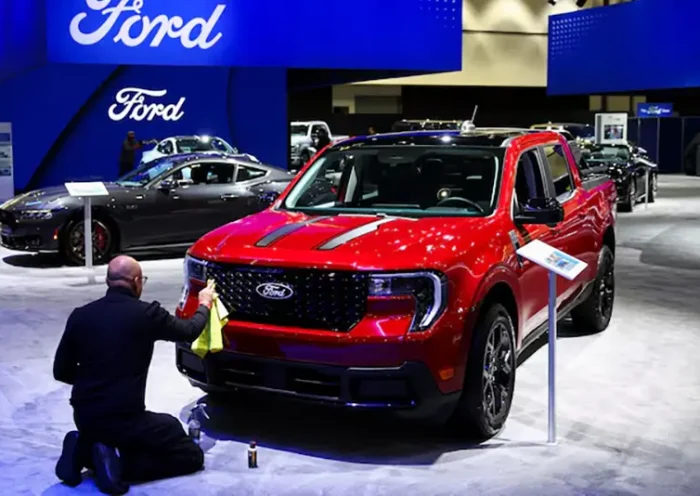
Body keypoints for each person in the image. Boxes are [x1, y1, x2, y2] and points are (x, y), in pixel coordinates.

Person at [53, 255, 215, 494]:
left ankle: (84, 448)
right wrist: (205, 304)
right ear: (137, 281)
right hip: (124, 420)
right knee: (188, 453)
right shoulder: (146, 314)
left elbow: (61, 371)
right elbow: (189, 331)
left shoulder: (80, 315)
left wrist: (94, 379)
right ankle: (116, 465)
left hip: (84, 417)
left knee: (129, 436)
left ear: (109, 281)